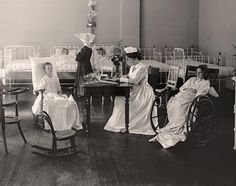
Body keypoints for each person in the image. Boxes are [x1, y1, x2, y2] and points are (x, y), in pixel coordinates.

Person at [149, 65, 210, 148]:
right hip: (183, 95)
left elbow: (199, 93)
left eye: (200, 72)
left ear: (204, 73)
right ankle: (167, 131)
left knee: (179, 106)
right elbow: (182, 87)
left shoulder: (205, 82)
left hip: (191, 97)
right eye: (197, 72)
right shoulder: (192, 79)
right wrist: (187, 90)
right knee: (172, 104)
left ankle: (172, 133)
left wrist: (192, 91)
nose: (198, 74)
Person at [104, 47, 156, 135]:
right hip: (134, 89)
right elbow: (129, 76)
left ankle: (127, 124)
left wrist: (121, 79)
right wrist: (117, 78)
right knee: (119, 98)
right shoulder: (132, 67)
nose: (127, 61)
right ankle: (120, 122)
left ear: (135, 58)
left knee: (123, 100)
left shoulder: (142, 68)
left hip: (142, 92)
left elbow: (135, 81)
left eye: (129, 59)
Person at [32, 62, 83, 131]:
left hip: (56, 95)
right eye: (48, 68)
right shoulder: (44, 79)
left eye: (51, 67)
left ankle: (65, 123)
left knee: (69, 102)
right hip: (48, 95)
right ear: (45, 70)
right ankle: (53, 125)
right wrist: (46, 95)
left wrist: (60, 94)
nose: (50, 69)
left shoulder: (55, 78)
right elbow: (40, 89)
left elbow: (59, 89)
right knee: (52, 103)